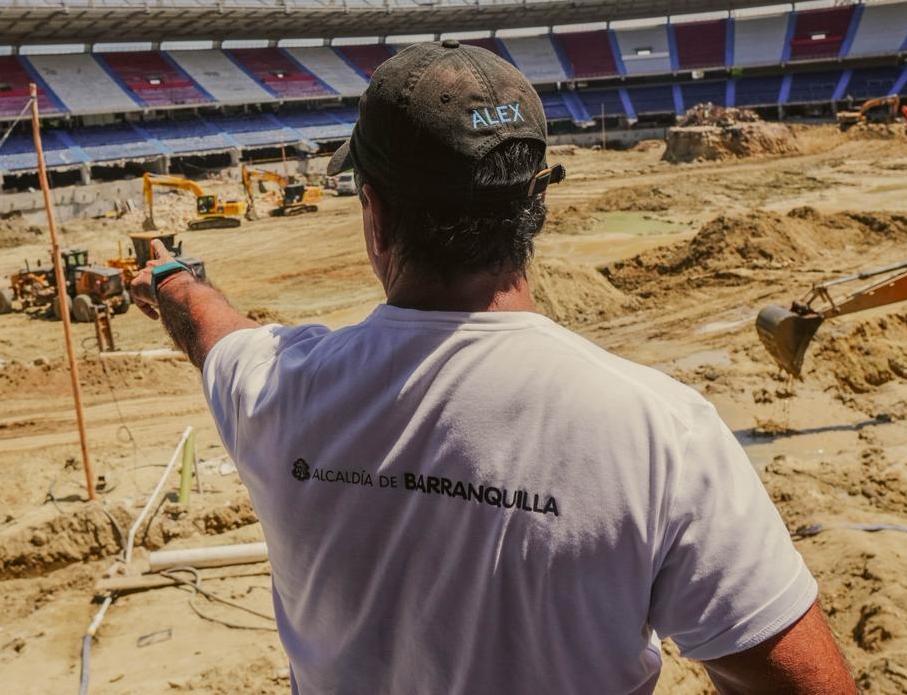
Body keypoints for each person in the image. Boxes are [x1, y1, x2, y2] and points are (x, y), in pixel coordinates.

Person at [131, 40, 855, 694]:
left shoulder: (273, 388)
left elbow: (207, 326)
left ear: (374, 213)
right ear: (538, 202)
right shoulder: (662, 434)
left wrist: (171, 279)